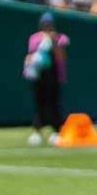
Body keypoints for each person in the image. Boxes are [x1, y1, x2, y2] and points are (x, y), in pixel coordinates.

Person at [24, 12, 68, 146]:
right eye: (45, 24)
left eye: (49, 25)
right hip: (39, 76)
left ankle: (56, 131)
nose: (47, 27)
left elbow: (60, 56)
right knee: (39, 103)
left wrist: (52, 41)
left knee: (54, 103)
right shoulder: (34, 38)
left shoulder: (61, 38)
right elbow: (31, 55)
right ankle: (37, 131)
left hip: (54, 76)